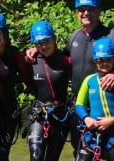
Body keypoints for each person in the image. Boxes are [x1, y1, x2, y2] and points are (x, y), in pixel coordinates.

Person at [26, 0, 114, 157]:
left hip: (107, 110)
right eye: (81, 9)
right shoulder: (75, 36)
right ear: (76, 12)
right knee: (80, 152)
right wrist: (37, 50)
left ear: (99, 10)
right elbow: (60, 59)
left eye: (91, 8)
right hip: (79, 109)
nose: (86, 13)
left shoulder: (112, 36)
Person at [0, 12, 34, 161]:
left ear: (5, 33)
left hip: (8, 113)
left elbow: (30, 81)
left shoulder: (16, 55)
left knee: (2, 155)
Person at [75, 37, 114, 161]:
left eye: (108, 59)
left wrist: (113, 120)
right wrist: (86, 119)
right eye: (100, 60)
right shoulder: (89, 80)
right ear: (95, 61)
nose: (104, 63)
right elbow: (79, 104)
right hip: (92, 132)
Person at [26, 20, 71, 161]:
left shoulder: (66, 60)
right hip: (39, 114)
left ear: (54, 39)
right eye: (39, 43)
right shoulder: (30, 60)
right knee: (36, 155)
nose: (43, 46)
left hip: (60, 116)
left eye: (47, 41)